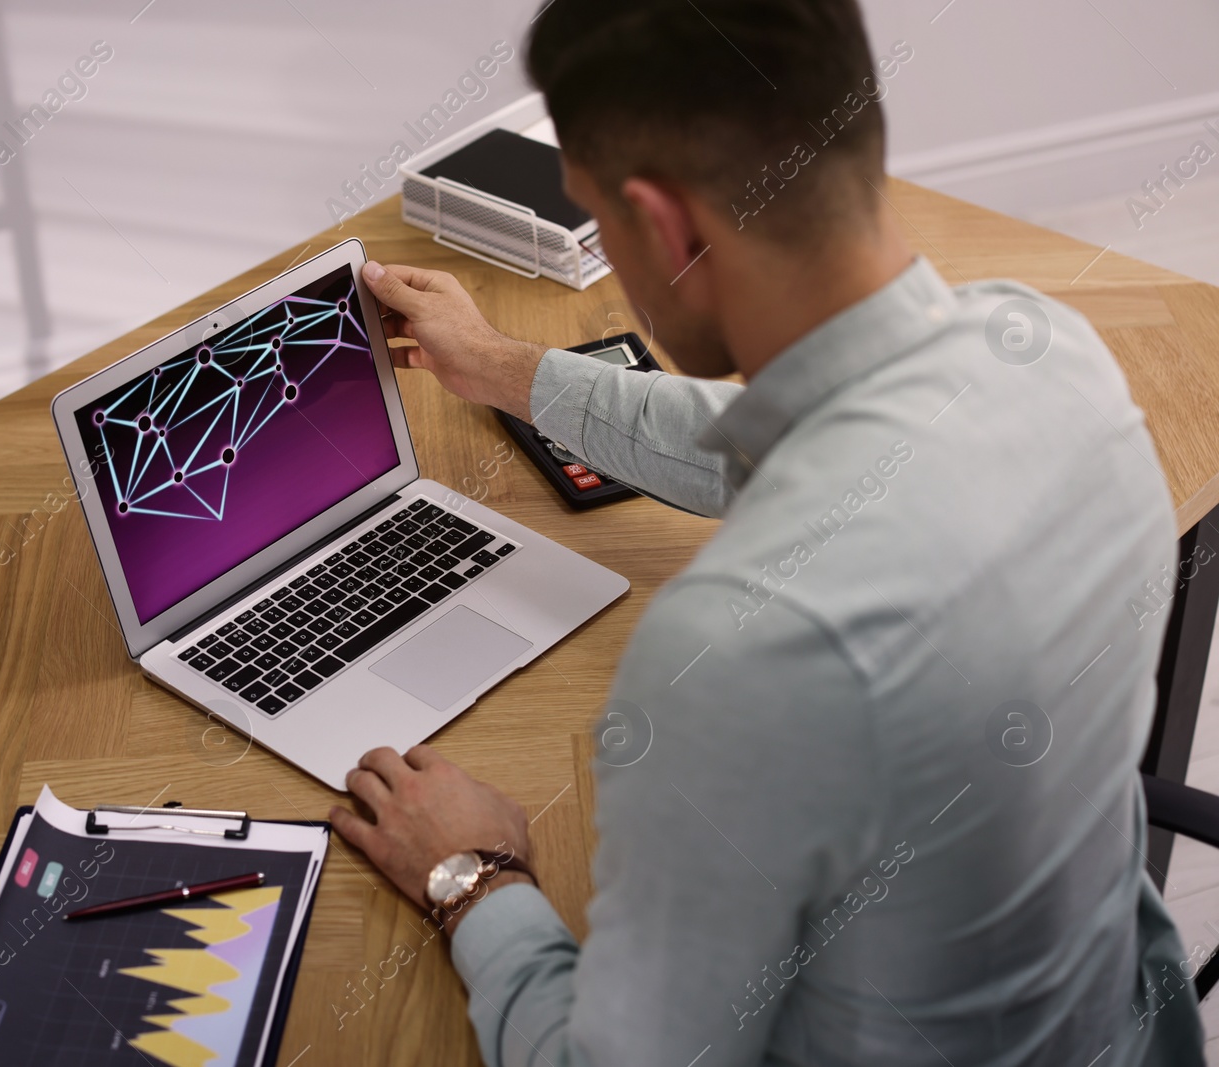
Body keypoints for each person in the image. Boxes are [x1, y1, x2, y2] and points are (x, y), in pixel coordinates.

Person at [323, 0, 1206, 1063]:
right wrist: (508, 367)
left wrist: (477, 878)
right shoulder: (1051, 355)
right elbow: (808, 441)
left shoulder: (746, 649)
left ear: (666, 226)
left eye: (598, 218)